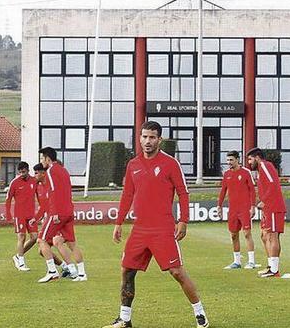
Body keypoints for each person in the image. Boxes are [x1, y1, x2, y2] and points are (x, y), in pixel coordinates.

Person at [104, 120, 209, 328]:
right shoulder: (133, 165)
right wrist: (118, 222)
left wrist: (183, 220)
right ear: (140, 138)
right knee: (127, 270)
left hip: (162, 229)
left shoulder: (170, 163)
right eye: (144, 136)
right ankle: (125, 319)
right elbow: (127, 195)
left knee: (177, 272)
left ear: (159, 140)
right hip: (139, 229)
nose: (147, 141)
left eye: (152, 137)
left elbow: (183, 193)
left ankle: (200, 312)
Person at [36, 147, 86, 283]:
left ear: (48, 158)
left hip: (58, 212)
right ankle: (80, 273)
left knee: (42, 240)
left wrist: (55, 212)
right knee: (71, 244)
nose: (42, 161)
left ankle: (52, 271)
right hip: (69, 211)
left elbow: (54, 192)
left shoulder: (51, 170)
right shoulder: (64, 170)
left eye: (42, 158)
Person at [246, 148, 286, 278]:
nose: (249, 162)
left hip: (274, 207)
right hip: (268, 208)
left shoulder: (265, 166)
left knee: (272, 236)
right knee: (264, 236)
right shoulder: (260, 170)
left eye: (250, 159)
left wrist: (264, 200)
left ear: (257, 158)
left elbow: (273, 184)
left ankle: (274, 270)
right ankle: (271, 266)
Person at [32, 164, 74, 278]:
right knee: (42, 250)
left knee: (55, 242)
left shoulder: (51, 184)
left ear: (43, 173)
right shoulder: (39, 186)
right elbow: (44, 206)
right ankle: (66, 267)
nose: (34, 175)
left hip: (56, 219)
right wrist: (36, 218)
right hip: (49, 219)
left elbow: (54, 201)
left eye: (36, 173)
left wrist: (55, 214)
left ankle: (71, 269)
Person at [217, 150, 257, 269]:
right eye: (228, 160)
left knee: (247, 233)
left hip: (244, 209)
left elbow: (252, 190)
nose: (229, 162)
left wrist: (253, 206)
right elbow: (223, 190)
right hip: (233, 210)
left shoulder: (246, 172)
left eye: (231, 160)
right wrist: (219, 205)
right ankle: (237, 261)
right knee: (234, 235)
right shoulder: (227, 174)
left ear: (237, 160)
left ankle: (251, 261)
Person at [5, 161, 38, 272]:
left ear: (28, 170)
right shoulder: (14, 183)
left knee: (34, 238)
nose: (22, 174)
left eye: (23, 172)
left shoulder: (34, 181)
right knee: (22, 236)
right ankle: (22, 263)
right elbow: (8, 198)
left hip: (31, 214)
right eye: (20, 172)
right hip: (19, 215)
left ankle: (18, 256)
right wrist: (8, 213)